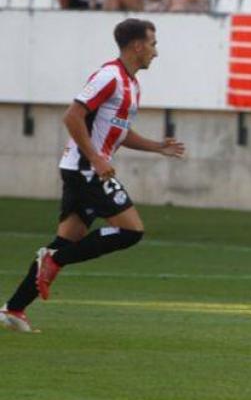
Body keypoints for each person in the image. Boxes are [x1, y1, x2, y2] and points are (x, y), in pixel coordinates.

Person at [1, 20, 186, 334]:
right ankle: (55, 259)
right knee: (131, 231)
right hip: (85, 169)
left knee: (66, 239)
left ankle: (14, 308)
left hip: (86, 168)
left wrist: (156, 147)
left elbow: (119, 132)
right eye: (153, 44)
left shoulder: (132, 84)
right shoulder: (108, 76)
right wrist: (96, 158)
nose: (156, 52)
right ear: (137, 46)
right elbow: (72, 115)